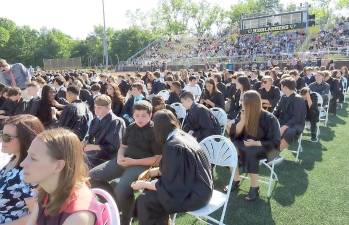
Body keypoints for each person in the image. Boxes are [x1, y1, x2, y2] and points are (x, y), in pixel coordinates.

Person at [131, 109, 213, 225]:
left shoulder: (173, 146)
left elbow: (171, 185)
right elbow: (178, 170)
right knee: (149, 194)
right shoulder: (182, 136)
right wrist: (151, 173)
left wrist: (143, 184)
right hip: (199, 187)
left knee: (146, 201)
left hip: (195, 195)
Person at [89, 100, 161, 225]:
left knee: (121, 190)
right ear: (133, 115)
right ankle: (113, 202)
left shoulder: (154, 131)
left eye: (144, 116)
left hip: (142, 166)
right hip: (124, 161)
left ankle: (126, 218)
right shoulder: (131, 127)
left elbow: (157, 159)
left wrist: (133, 161)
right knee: (92, 176)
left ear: (150, 115)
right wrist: (119, 157)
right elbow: (123, 146)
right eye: (137, 115)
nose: (140, 119)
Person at [21, 128, 102, 225]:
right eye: (28, 155)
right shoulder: (48, 189)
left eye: (33, 158)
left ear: (58, 166)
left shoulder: (78, 217)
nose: (23, 163)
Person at [228, 91, 280, 201]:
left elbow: (275, 142)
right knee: (230, 147)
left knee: (251, 151)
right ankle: (235, 179)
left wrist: (256, 143)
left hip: (267, 148)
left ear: (251, 104)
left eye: (243, 101)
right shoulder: (243, 112)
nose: (241, 103)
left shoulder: (269, 118)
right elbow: (234, 135)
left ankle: (255, 188)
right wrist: (242, 120)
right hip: (246, 144)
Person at [0, 114, 44, 224]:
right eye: (1, 134)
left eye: (7, 137)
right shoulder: (13, 159)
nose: (1, 140)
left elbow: (35, 216)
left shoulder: (28, 174)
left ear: (25, 140)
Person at [84, 95, 126, 168]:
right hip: (94, 153)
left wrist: (94, 147)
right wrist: (85, 142)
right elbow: (91, 137)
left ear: (108, 108)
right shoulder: (95, 120)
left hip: (107, 158)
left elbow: (114, 147)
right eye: (95, 107)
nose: (96, 110)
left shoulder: (115, 122)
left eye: (99, 108)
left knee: (82, 163)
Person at [273, 78, 307, 150]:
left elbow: (297, 118)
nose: (280, 87)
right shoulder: (283, 96)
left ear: (285, 87)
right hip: (282, 121)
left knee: (289, 132)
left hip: (295, 124)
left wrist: (284, 127)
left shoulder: (298, 99)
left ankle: (274, 154)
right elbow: (277, 110)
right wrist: (271, 119)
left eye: (281, 86)